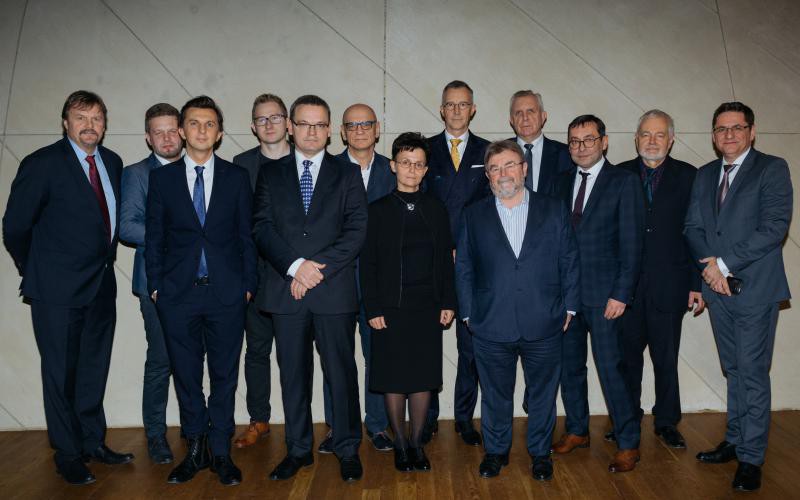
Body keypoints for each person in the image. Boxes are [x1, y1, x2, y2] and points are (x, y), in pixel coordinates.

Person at [2, 90, 132, 485]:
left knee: (93, 369)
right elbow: (15, 227)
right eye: (80, 117)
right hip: (55, 291)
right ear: (65, 123)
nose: (89, 125)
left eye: (96, 118)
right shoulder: (42, 163)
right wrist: (37, 269)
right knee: (59, 375)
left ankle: (92, 442)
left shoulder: (112, 162)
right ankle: (68, 453)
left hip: (101, 286)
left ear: (104, 125)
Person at [252, 95, 368, 483]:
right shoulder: (270, 173)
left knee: (341, 373)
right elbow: (262, 228)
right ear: (290, 127)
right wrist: (295, 268)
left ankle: (347, 447)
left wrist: (316, 270)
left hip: (333, 291)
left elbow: (356, 230)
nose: (312, 131)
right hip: (286, 291)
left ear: (330, 130)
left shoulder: (348, 173)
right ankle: (298, 450)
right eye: (304, 124)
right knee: (293, 376)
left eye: (319, 124)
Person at [145, 95, 256, 486]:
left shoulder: (236, 177)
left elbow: (246, 237)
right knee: (186, 376)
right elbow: (154, 238)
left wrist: (248, 287)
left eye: (210, 124)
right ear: (181, 130)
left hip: (227, 295)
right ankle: (195, 448)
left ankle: (221, 451)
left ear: (220, 133)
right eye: (194, 123)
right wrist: (156, 287)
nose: (202, 130)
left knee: (225, 376)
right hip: (177, 296)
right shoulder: (162, 180)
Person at [456, 140, 579, 481]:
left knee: (542, 394)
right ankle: (496, 452)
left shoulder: (553, 208)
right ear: (488, 176)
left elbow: (569, 259)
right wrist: (467, 314)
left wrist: (570, 307)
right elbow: (463, 266)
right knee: (495, 395)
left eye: (510, 165)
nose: (503, 173)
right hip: (490, 322)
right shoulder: (473, 214)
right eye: (494, 168)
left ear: (524, 168)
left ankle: (540, 454)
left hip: (545, 319)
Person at [685, 102, 792, 492]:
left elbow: (774, 227)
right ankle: (734, 440)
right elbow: (693, 227)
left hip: (755, 291)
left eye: (736, 127)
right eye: (721, 129)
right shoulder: (705, 174)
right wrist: (710, 269)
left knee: (752, 372)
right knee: (733, 369)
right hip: (718, 291)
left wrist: (724, 264)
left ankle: (751, 457)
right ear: (713, 136)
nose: (728, 135)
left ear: (752, 131)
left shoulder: (771, 168)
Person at [552, 115, 644, 473]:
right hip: (567, 296)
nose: (581, 147)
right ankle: (577, 430)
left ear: (604, 142)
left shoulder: (624, 182)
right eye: (574, 141)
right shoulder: (560, 181)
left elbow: (632, 244)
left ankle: (628, 442)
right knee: (569, 367)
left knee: (611, 369)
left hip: (607, 298)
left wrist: (621, 293)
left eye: (588, 139)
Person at [606, 110, 704, 449]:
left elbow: (697, 233)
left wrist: (697, 283)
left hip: (671, 285)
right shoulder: (618, 174)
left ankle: (666, 421)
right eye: (646, 134)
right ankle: (626, 418)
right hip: (627, 289)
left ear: (671, 139)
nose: (652, 141)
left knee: (666, 359)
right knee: (627, 359)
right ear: (636, 139)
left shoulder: (689, 176)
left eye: (659, 134)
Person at [360, 132, 455, 472]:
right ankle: (399, 443)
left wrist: (448, 301)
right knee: (394, 378)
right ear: (393, 166)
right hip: (389, 308)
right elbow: (368, 264)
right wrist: (372, 308)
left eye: (418, 164)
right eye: (405, 163)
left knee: (422, 377)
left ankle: (416, 443)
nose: (411, 170)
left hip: (427, 307)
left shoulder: (436, 209)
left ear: (426, 169)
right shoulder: (377, 211)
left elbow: (446, 260)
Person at [316, 103, 395, 454]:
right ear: (342, 132)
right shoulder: (326, 169)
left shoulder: (393, 170)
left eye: (366, 124)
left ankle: (377, 425)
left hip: (380, 284)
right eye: (352, 125)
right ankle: (338, 426)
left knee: (378, 357)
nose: (360, 130)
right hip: (335, 282)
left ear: (377, 129)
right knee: (336, 360)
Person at [423, 80, 489, 446]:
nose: (457, 110)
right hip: (432, 262)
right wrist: (441, 247)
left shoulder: (488, 151)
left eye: (463, 104)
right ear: (441, 109)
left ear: (473, 109)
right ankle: (428, 416)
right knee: (427, 342)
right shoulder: (426, 150)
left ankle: (464, 417)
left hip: (472, 263)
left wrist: (463, 248)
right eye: (451, 104)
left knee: (470, 346)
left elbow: (491, 208)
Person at [120, 103, 183, 464]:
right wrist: (178, 236)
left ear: (182, 132)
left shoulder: (198, 170)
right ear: (148, 137)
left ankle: (194, 429)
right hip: (156, 284)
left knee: (194, 359)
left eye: (172, 129)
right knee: (161, 360)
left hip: (198, 283)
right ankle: (156, 434)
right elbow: (127, 226)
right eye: (158, 132)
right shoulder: (137, 174)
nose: (166, 137)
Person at [231, 93, 291, 449]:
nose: (269, 124)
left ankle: (299, 421)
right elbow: (237, 225)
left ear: (288, 122)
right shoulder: (241, 165)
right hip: (255, 276)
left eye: (275, 117)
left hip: (295, 278)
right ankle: (259, 419)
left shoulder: (306, 160)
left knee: (295, 356)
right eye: (261, 119)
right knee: (256, 351)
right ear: (253, 127)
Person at [507, 90, 572, 196]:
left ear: (543, 116)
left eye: (530, 111)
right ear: (511, 120)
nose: (525, 118)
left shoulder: (566, 154)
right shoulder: (499, 153)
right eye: (518, 113)